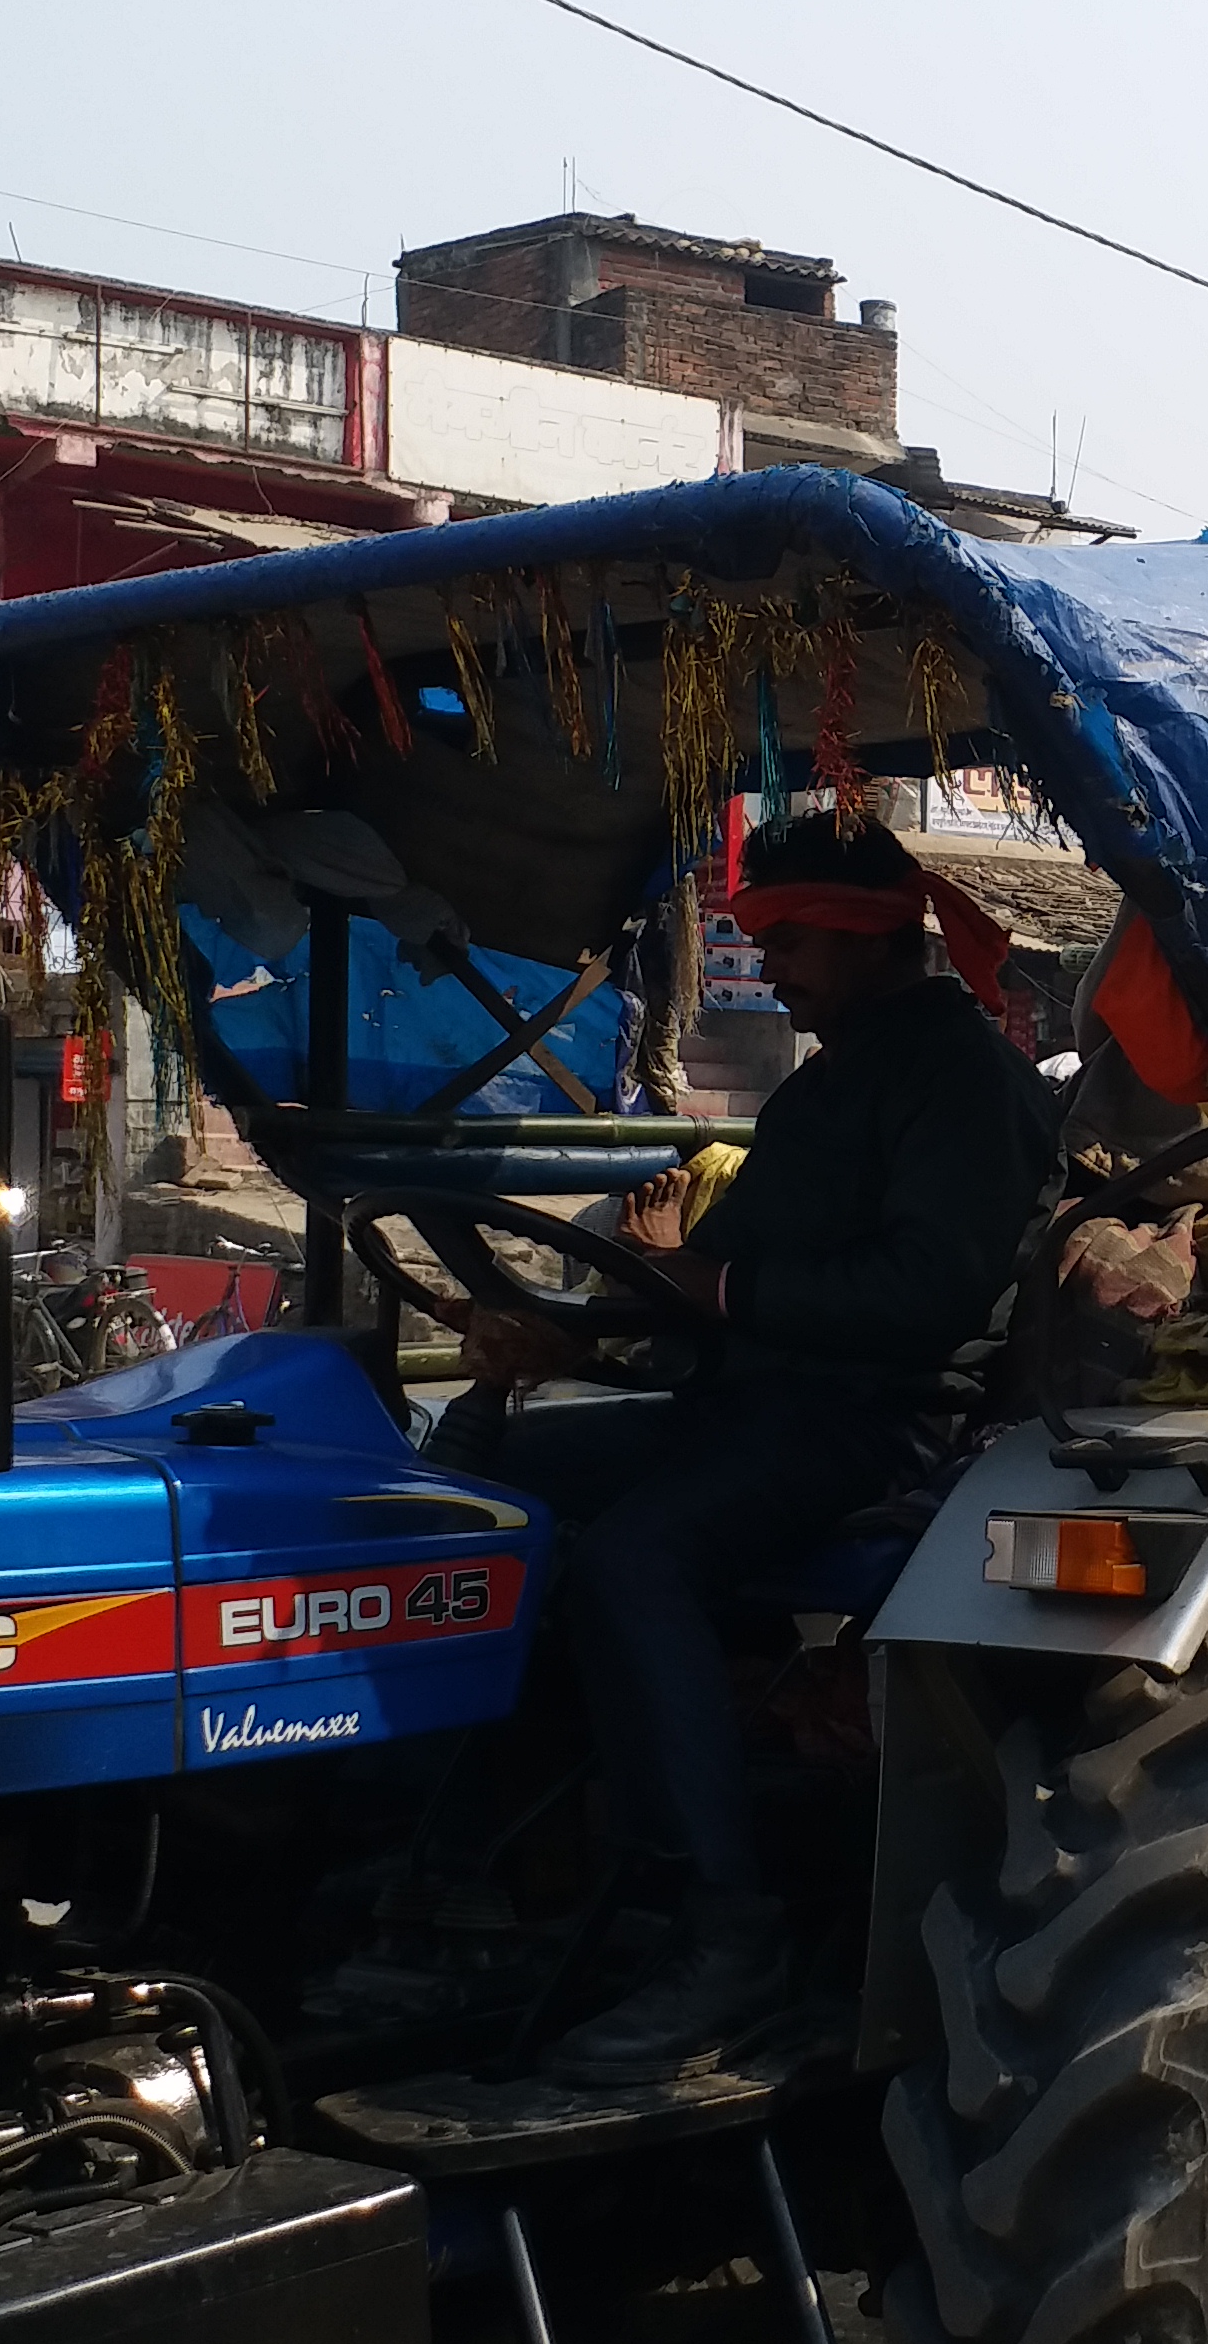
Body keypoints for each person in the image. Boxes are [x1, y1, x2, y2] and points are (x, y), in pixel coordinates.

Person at [439, 811, 1063, 2081]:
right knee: (477, 1491)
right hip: (758, 1399)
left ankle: (726, 1925)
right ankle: (484, 1858)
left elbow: (925, 1293)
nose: (770, 969)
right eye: (760, 942)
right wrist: (577, 1342)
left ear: (867, 937)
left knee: (633, 1560)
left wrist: (713, 1293)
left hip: (877, 1421)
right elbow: (713, 1300)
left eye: (788, 943)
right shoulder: (828, 1079)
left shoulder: (952, 1075)